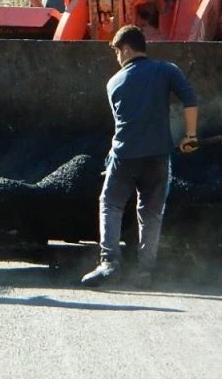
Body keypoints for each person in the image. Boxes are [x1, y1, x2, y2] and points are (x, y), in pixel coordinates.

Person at [81, 25, 198, 288]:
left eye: (117, 53)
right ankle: (147, 271)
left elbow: (123, 123)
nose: (118, 59)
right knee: (151, 212)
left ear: (125, 49)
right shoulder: (167, 70)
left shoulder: (114, 83)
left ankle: (109, 264)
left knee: (110, 205)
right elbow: (189, 99)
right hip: (158, 156)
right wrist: (190, 136)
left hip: (124, 156)